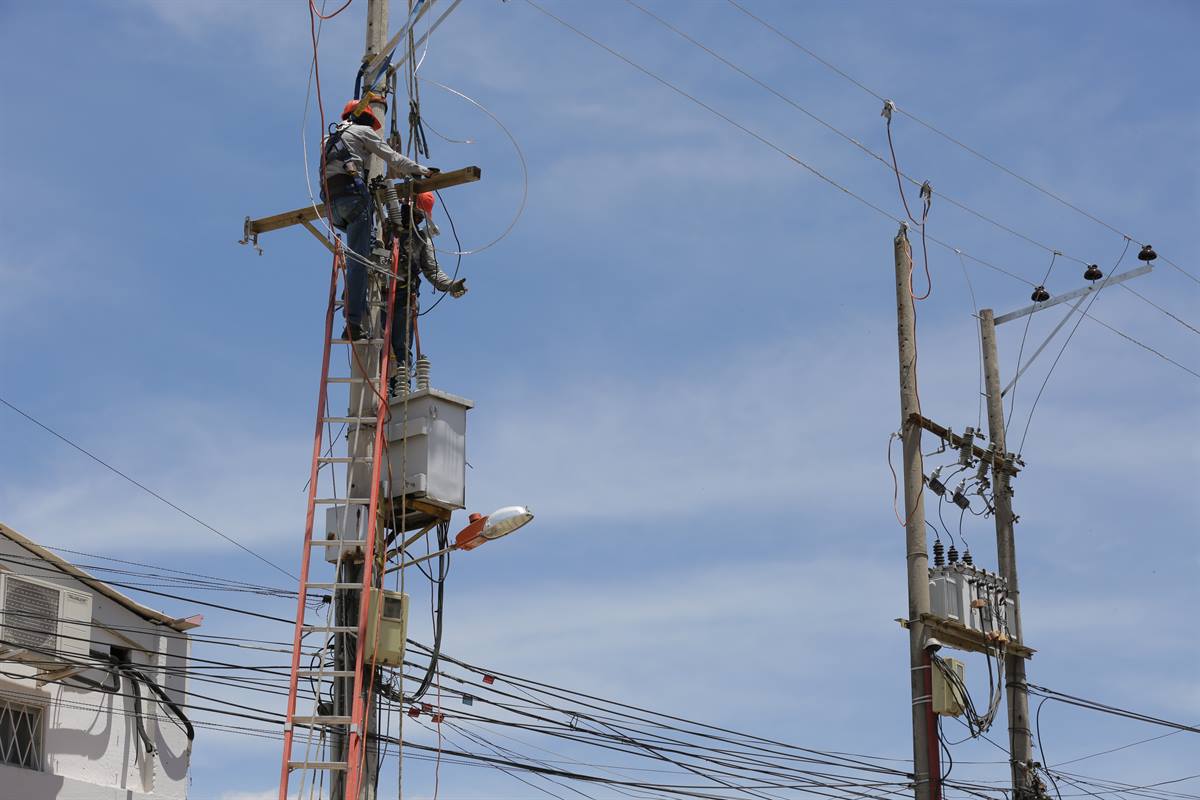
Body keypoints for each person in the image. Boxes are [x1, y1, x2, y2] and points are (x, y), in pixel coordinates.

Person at [322, 94, 431, 340]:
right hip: (353, 201)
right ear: (366, 119)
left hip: (333, 208)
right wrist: (420, 170)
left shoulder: (327, 139)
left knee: (358, 253)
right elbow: (391, 157)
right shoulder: (363, 131)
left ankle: (352, 301)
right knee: (359, 262)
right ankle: (353, 323)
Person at [387, 192, 467, 392]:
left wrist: (450, 285)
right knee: (374, 345)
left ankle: (398, 389)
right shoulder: (385, 228)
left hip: (405, 296)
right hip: (378, 295)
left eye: (420, 218)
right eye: (416, 216)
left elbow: (432, 270)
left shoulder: (422, 239)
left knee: (402, 348)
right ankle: (381, 386)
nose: (418, 221)